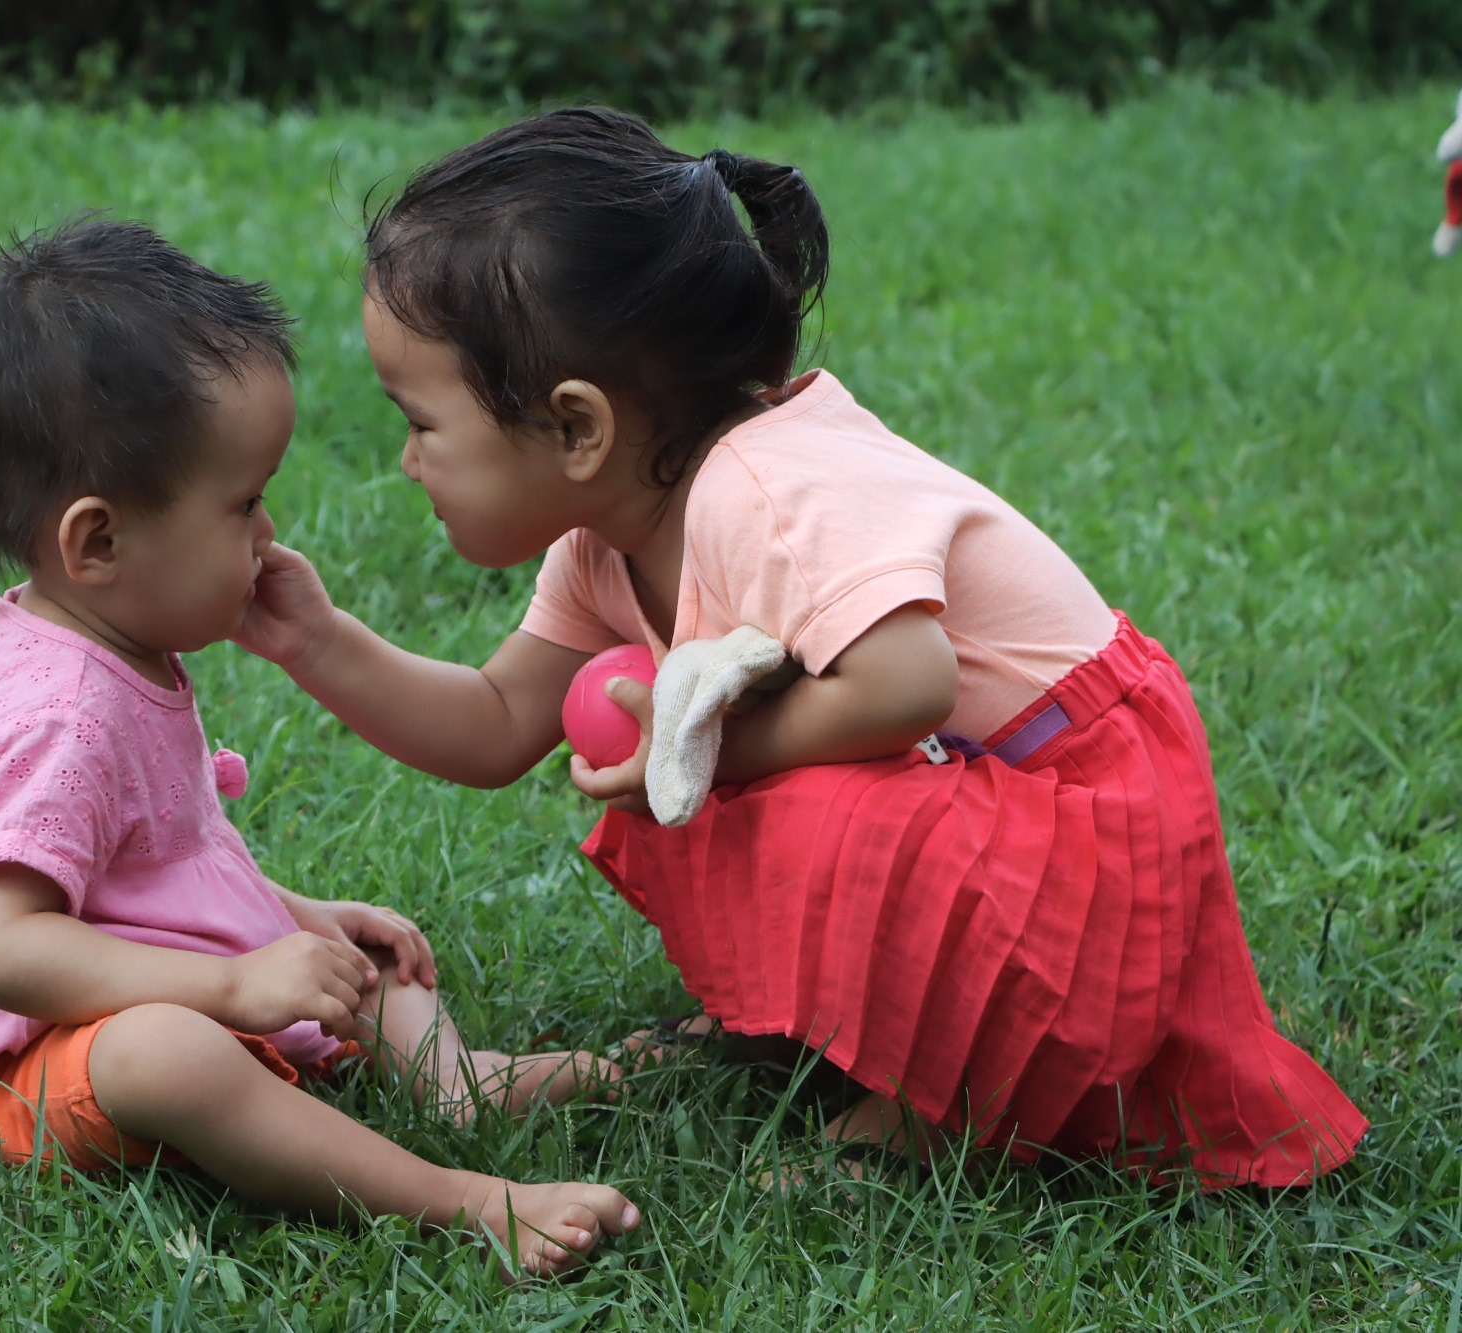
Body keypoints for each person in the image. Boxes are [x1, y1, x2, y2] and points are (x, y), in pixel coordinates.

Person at [238, 107, 1368, 1189]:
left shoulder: (763, 490)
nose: (404, 460)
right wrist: (316, 640)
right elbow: (492, 723)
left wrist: (711, 752)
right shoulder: (603, 538)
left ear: (578, 427)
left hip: (1081, 815)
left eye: (420, 422)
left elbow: (907, 684)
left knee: (743, 773)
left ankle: (931, 1112)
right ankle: (798, 1027)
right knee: (700, 760)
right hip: (983, 804)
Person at [0, 216, 636, 1276]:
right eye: (241, 503)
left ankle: (453, 1081)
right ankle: (462, 1200)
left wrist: (293, 918)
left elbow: (152, 869)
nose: (267, 533)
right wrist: (235, 988)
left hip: (131, 985)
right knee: (174, 1054)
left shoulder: (118, 652)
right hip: (33, 1062)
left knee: (358, 959)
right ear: (97, 542)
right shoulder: (54, 707)